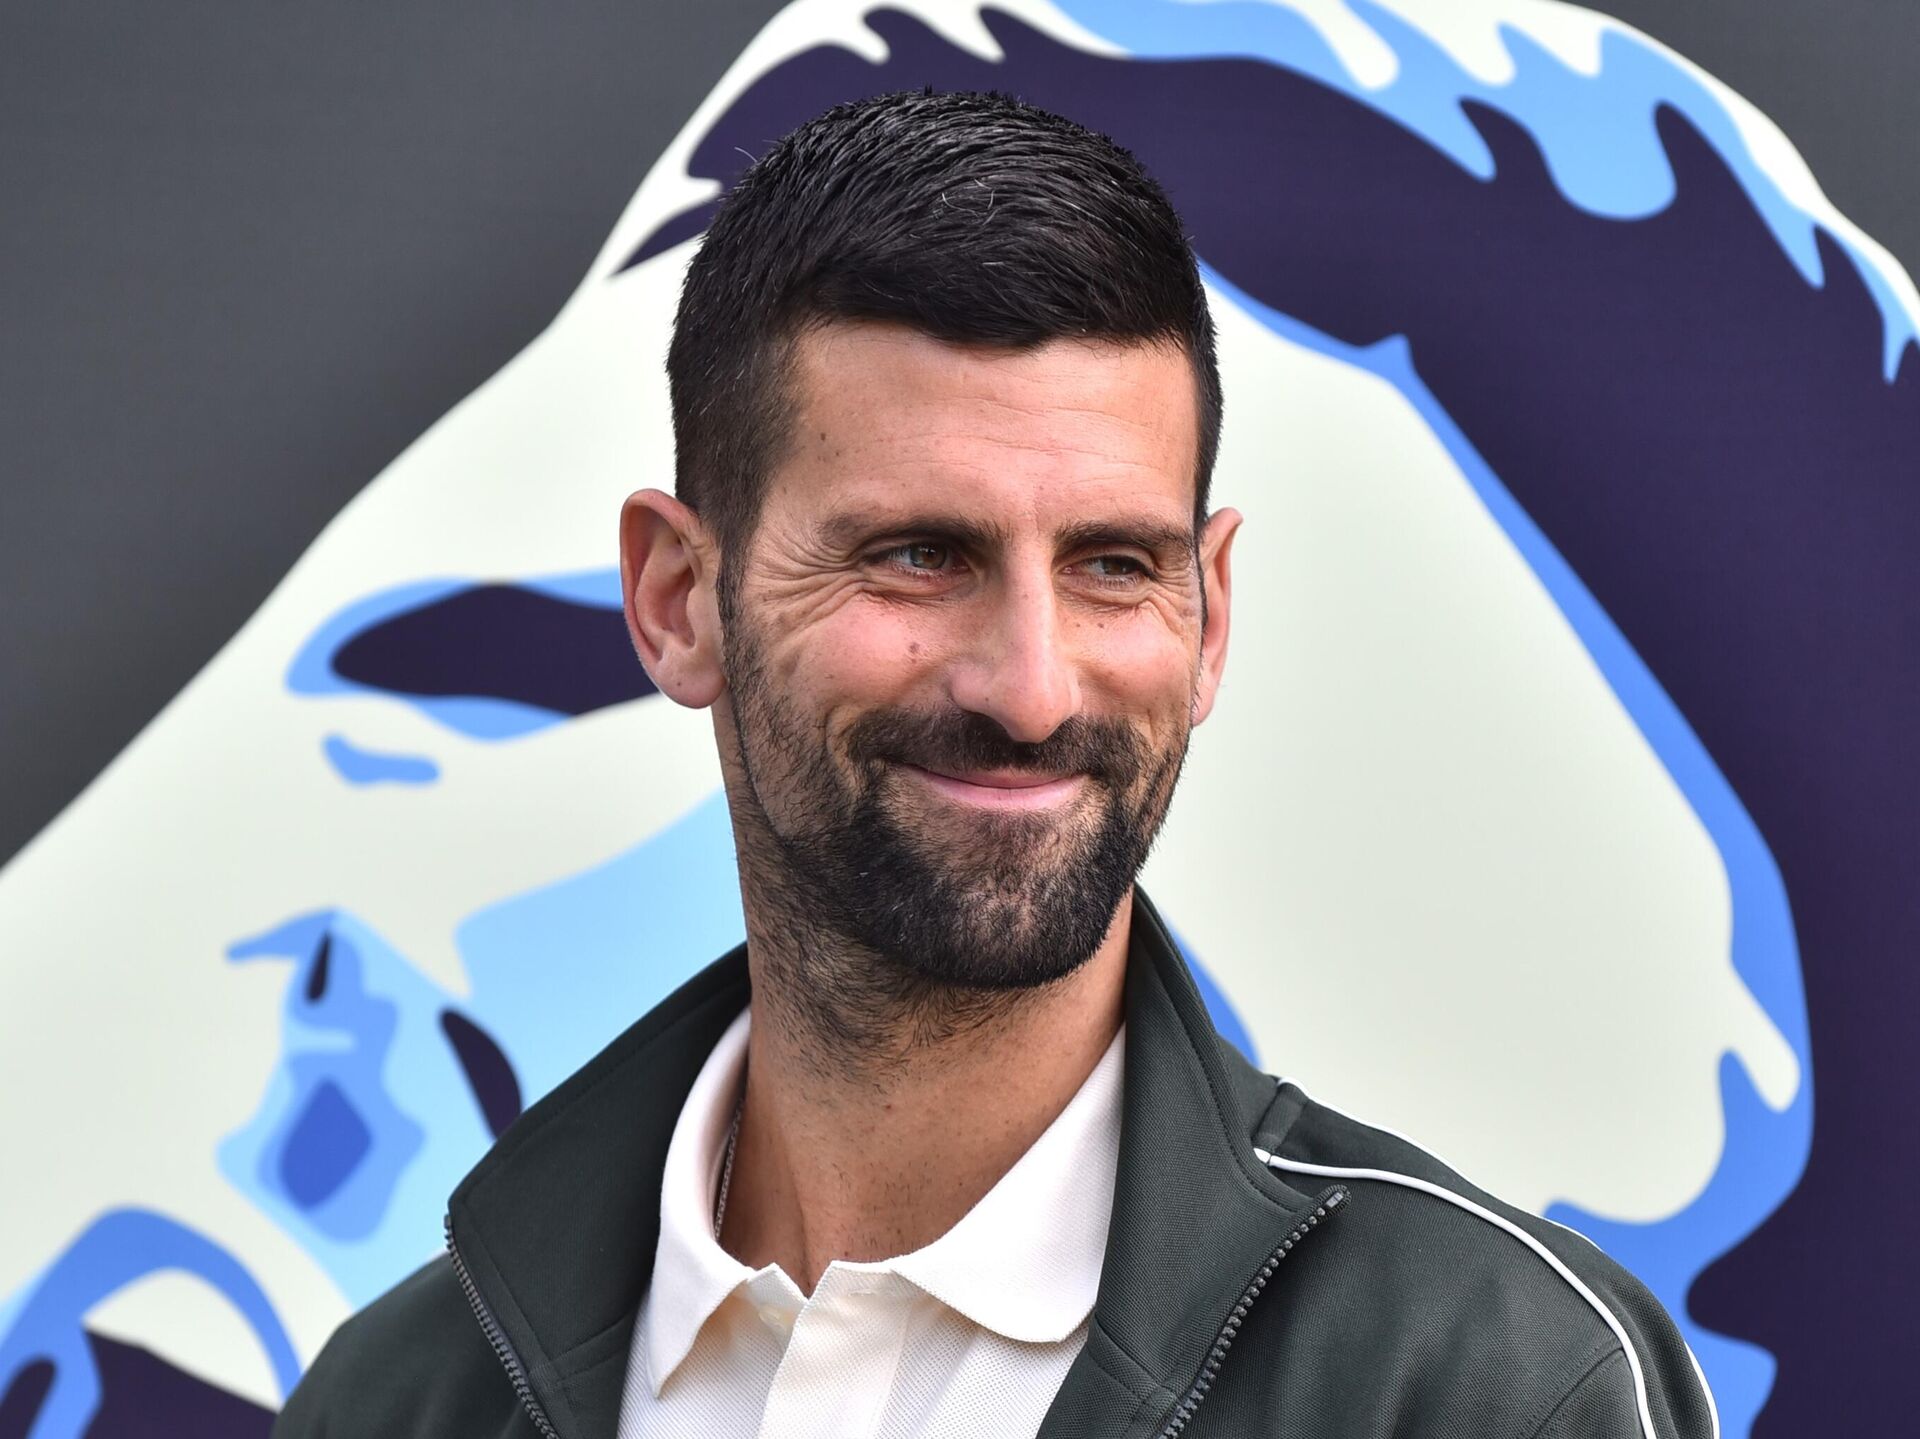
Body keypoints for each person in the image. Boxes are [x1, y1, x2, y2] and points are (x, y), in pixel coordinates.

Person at [274, 89, 1714, 1439]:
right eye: (917, 555)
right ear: (677, 600)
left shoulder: (1489, 1386)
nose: (1031, 690)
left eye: (1114, 565)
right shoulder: (401, 1403)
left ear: (1210, 616)